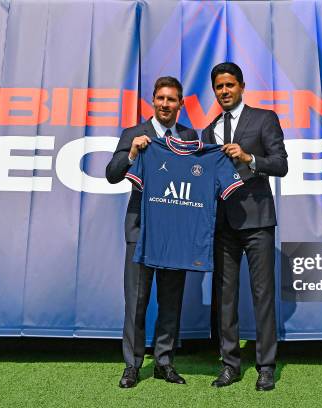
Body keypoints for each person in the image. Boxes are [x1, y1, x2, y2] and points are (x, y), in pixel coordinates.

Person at [106, 76, 198, 388]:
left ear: (180, 104)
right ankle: (132, 366)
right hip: (140, 228)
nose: (165, 104)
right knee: (136, 300)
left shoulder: (189, 136)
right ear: (153, 101)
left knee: (171, 300)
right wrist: (131, 153)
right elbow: (112, 174)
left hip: (175, 231)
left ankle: (164, 362)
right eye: (161, 98)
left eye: (172, 99)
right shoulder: (134, 133)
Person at [201, 62, 288, 391]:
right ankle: (230, 365)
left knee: (262, 295)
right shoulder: (208, 131)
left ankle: (265, 366)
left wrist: (250, 157)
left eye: (229, 85)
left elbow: (281, 164)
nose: (224, 91)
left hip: (258, 223)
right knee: (225, 298)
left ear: (241, 86)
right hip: (223, 226)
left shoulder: (264, 119)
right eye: (219, 87)